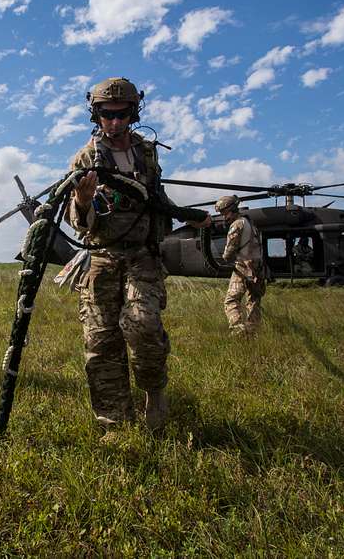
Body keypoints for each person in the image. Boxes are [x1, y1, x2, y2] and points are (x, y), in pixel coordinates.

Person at [67, 77, 209, 432]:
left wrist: (193, 217)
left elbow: (155, 200)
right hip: (100, 258)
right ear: (95, 114)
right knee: (101, 341)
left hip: (143, 256)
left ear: (134, 113)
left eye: (122, 115)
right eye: (106, 115)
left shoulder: (146, 153)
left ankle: (154, 391)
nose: (114, 123)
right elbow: (79, 223)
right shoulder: (84, 158)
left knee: (142, 323)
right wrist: (83, 200)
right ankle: (114, 421)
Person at [217, 195, 266, 337]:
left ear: (230, 210)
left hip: (243, 268)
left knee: (231, 300)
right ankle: (253, 330)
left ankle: (238, 331)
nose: (224, 217)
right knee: (254, 300)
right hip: (258, 267)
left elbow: (229, 252)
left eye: (224, 213)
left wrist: (225, 257)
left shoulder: (237, 225)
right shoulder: (250, 223)